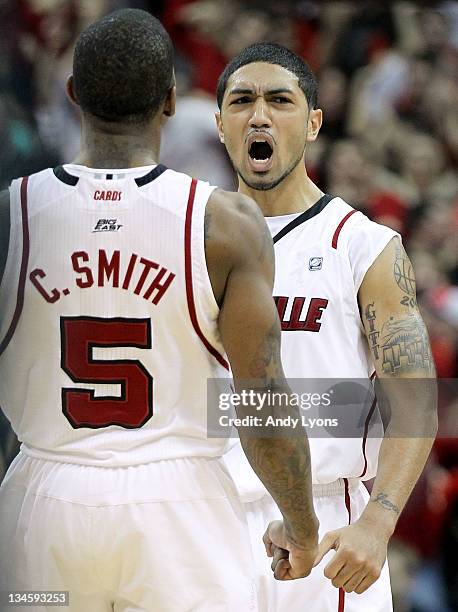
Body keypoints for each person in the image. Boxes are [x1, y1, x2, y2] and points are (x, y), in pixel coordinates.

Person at [0, 16, 319, 611]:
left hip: (44, 495)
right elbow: (262, 397)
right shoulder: (224, 223)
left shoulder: (12, 215)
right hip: (179, 507)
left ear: (73, 94)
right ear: (172, 98)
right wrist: (300, 522)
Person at [216, 43, 438, 611]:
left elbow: (414, 401)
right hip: (202, 521)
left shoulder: (363, 245)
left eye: (280, 101)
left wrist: (378, 520)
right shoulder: (186, 239)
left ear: (314, 122)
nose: (259, 115)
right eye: (242, 101)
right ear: (220, 124)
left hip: (326, 526)